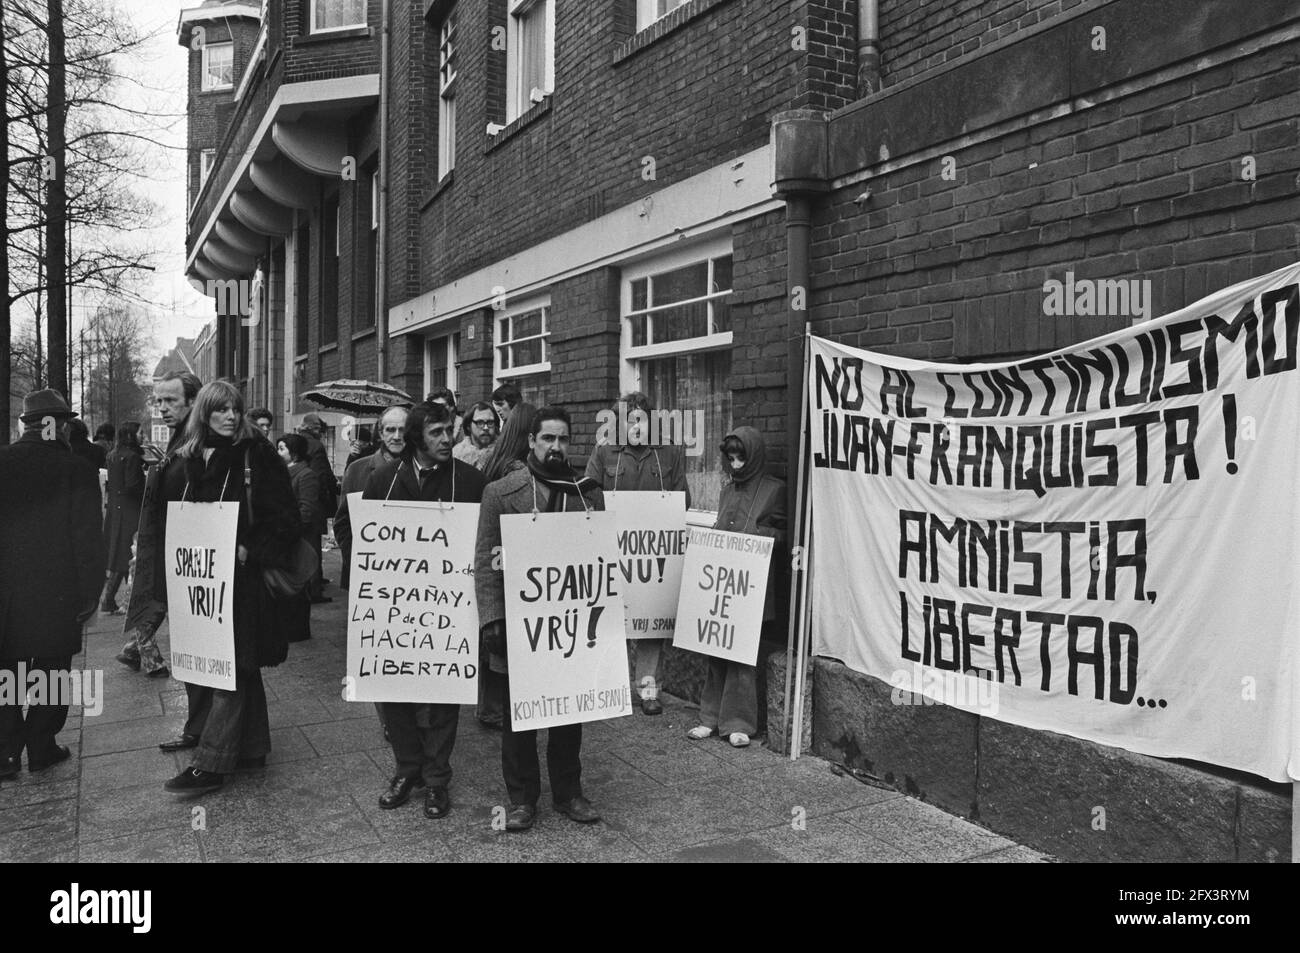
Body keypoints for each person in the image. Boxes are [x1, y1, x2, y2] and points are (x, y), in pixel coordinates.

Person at [160, 380, 302, 794]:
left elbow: (287, 522)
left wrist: (249, 550)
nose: (230, 416)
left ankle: (212, 762)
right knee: (236, 662)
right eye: (221, 409)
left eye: (235, 409)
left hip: (244, 584)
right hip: (204, 582)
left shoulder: (256, 456)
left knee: (231, 667)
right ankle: (253, 747)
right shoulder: (189, 459)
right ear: (204, 414)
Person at [475, 406, 604, 831]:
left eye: (563, 439)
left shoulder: (587, 492)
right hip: (520, 626)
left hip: (568, 627)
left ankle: (569, 793)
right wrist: (492, 619)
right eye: (547, 438)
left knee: (568, 715)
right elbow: (486, 561)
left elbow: (599, 561)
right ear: (531, 441)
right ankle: (522, 799)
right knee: (518, 719)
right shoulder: (500, 493)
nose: (556, 446)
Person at [365, 402, 486, 819]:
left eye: (449, 430)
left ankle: (436, 780)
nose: (447, 439)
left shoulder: (470, 482)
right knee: (395, 691)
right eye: (436, 432)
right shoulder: (383, 478)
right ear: (417, 437)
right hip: (394, 610)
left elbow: (483, 544)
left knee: (441, 695)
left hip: (447, 610)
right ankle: (406, 769)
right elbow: (363, 538)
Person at [0, 390, 105, 779]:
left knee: (6, 673)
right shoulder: (76, 468)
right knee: (51, 672)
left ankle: (5, 754)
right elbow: (87, 537)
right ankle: (41, 747)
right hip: (56, 593)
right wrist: (90, 592)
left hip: (5, 594)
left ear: (25, 425)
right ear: (59, 426)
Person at [585, 392, 691, 716]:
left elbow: (682, 498)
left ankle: (648, 689)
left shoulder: (669, 453)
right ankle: (607, 686)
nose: (635, 425)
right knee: (609, 617)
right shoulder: (605, 451)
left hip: (651, 554)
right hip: (613, 548)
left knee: (650, 617)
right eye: (628, 419)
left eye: (641, 418)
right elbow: (588, 495)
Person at [687, 427, 786, 748]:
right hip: (722, 585)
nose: (736, 464)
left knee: (742, 657)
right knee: (715, 652)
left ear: (753, 456)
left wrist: (759, 537)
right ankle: (709, 718)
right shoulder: (727, 491)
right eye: (730, 458)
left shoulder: (774, 490)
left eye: (741, 457)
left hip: (750, 587)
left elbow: (785, 536)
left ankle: (739, 722)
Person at [120, 370, 203, 679]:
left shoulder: (197, 442)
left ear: (193, 401)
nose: (163, 408)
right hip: (170, 546)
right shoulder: (179, 438)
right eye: (159, 401)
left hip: (189, 553)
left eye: (171, 400)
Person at [473, 402, 537, 729]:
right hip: (514, 567)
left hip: (493, 564)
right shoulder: (517, 474)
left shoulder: (491, 461)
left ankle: (488, 707)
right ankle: (496, 711)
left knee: (491, 646)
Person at [335, 405, 409, 591]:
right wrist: (358, 560)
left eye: (403, 430)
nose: (397, 436)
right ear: (381, 434)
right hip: (367, 575)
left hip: (411, 573)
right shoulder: (357, 470)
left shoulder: (424, 470)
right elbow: (343, 523)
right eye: (390, 430)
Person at [276, 433, 318, 643]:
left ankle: (299, 630)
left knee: (299, 585)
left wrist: (286, 528)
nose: (278, 452)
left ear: (294, 451)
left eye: (282, 448)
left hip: (298, 539)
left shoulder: (306, 475)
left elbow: (307, 510)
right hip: (285, 538)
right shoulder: (282, 473)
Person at [101, 424, 146, 615]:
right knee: (131, 554)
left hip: (116, 509)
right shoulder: (133, 457)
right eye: (140, 432)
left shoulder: (112, 455)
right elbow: (133, 486)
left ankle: (111, 599)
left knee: (121, 554)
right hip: (130, 511)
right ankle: (119, 599)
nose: (143, 436)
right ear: (130, 435)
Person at [297, 412, 338, 602]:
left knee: (303, 544)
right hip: (314, 501)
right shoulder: (317, 446)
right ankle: (314, 589)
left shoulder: (296, 442)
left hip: (298, 497)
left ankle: (308, 582)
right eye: (320, 430)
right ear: (315, 429)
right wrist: (330, 495)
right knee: (313, 545)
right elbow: (322, 476)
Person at [453, 401, 498, 471]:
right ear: (468, 426)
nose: (486, 428)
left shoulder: (503, 454)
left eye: (490, 422)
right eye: (480, 423)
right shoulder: (456, 456)